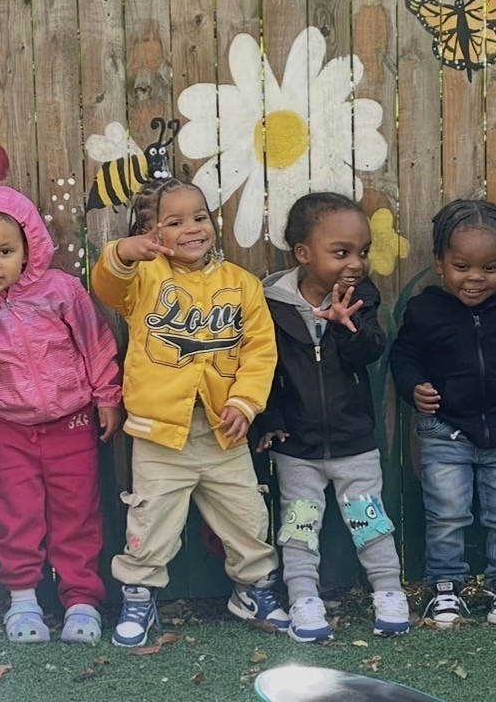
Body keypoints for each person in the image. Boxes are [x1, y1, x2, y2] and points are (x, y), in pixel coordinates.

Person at [91, 176, 287, 648]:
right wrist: (124, 253)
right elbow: (108, 285)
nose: (192, 228)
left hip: (224, 432)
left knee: (247, 516)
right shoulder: (144, 278)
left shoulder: (241, 284)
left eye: (200, 217)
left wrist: (244, 402)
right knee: (150, 520)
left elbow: (260, 352)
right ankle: (139, 596)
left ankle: (253, 590)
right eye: (175, 222)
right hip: (160, 435)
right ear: (152, 233)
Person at [0, 185, 122, 645]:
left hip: (71, 422)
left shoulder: (60, 290)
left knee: (77, 514)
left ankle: (81, 601)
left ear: (28, 248)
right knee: (18, 516)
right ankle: (22, 601)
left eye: (5, 251)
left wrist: (107, 396)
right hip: (9, 428)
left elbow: (95, 341)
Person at [391, 198, 496, 628]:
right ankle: (444, 587)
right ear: (440, 263)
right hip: (444, 430)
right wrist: (414, 387)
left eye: (490, 267)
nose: (475, 278)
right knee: (447, 512)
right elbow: (404, 358)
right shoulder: (424, 309)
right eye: (462, 266)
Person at [255, 193, 409, 642]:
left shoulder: (362, 297)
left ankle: (388, 591)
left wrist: (346, 326)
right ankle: (304, 599)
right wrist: (269, 419)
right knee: (299, 526)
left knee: (369, 521)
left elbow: (369, 352)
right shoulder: (272, 305)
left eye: (362, 252)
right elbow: (263, 370)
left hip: (353, 441)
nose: (356, 263)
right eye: (341, 252)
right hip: (297, 446)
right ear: (303, 254)